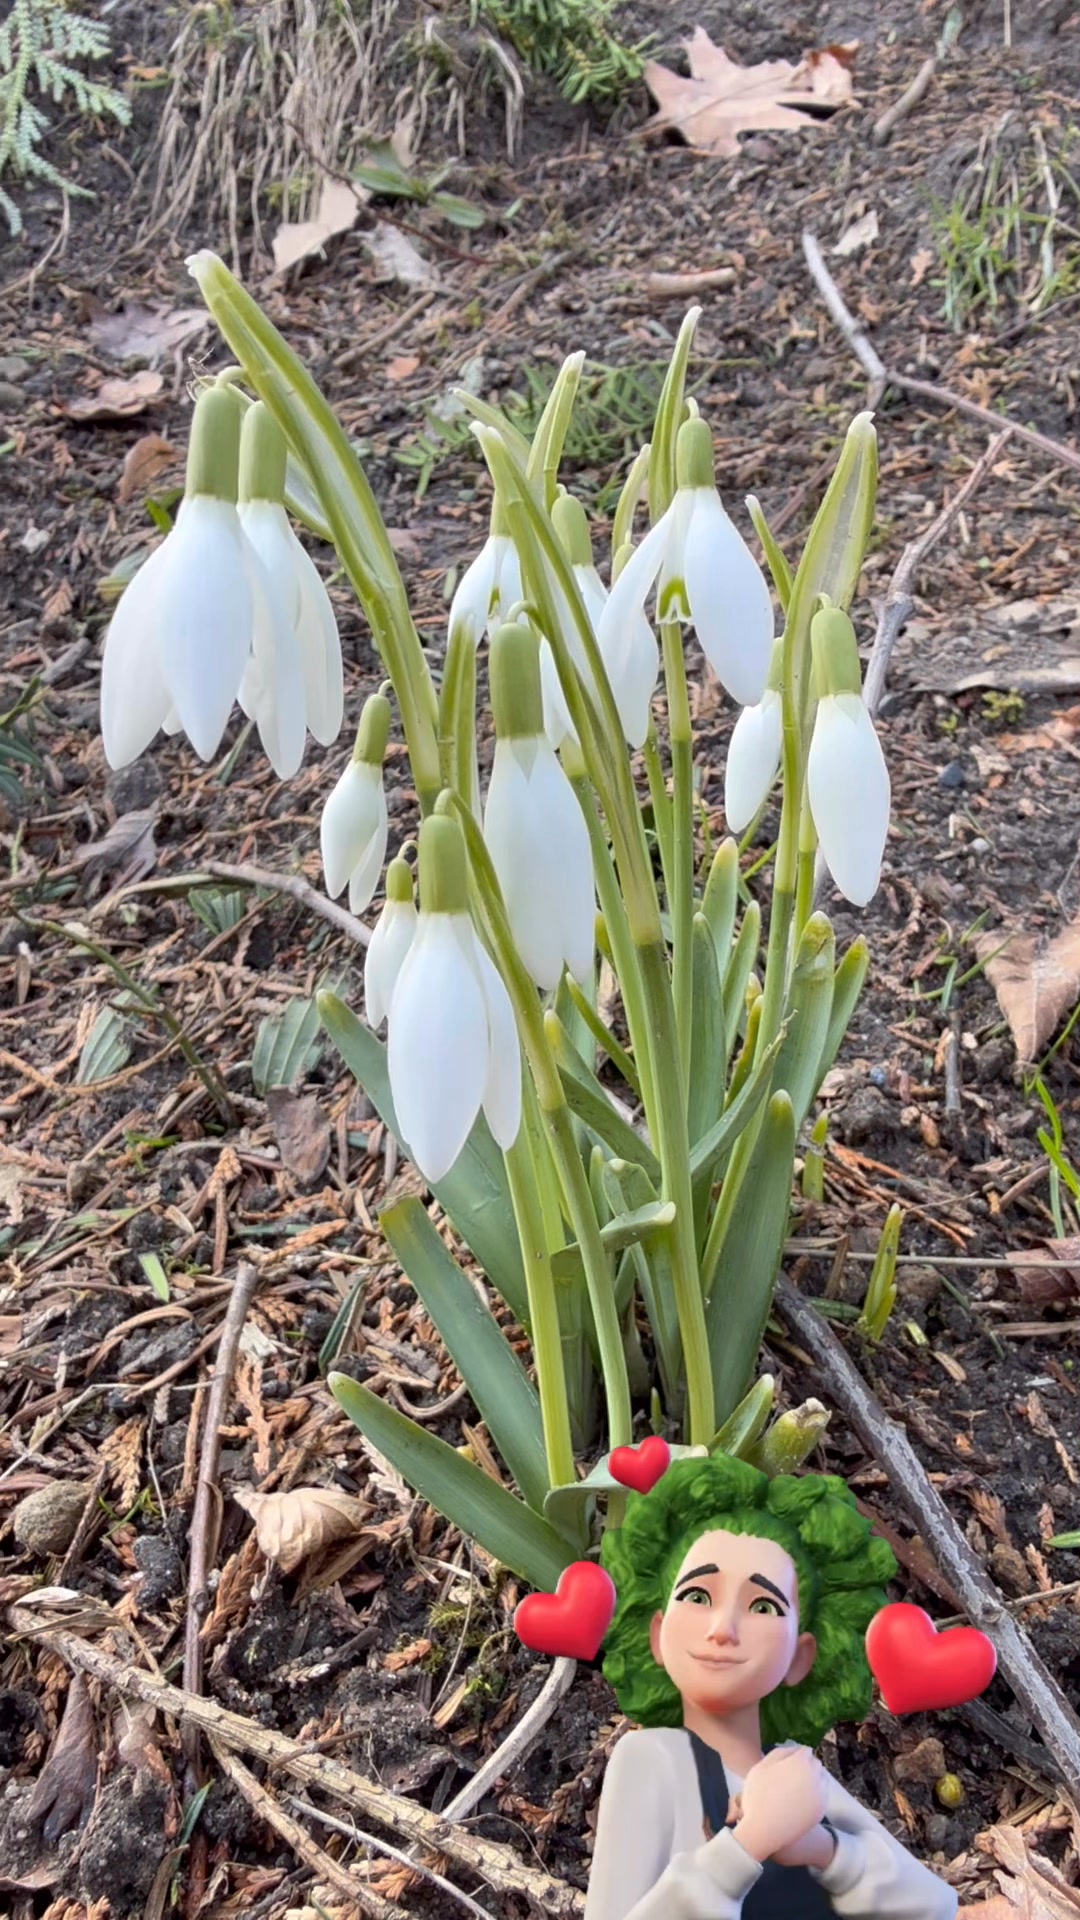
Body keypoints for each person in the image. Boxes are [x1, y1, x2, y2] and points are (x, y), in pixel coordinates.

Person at [586, 1452, 959, 1919]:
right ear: (656, 1634)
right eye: (698, 1596)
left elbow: (933, 1906)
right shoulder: (651, 1761)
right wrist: (747, 1846)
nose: (723, 1628)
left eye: (763, 1607)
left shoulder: (795, 1773)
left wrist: (824, 1850)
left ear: (801, 1657)